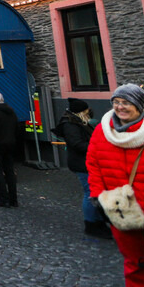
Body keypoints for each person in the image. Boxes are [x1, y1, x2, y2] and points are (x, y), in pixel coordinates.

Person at [86, 83, 144, 287]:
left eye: (126, 102)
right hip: (121, 211)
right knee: (136, 265)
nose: (120, 107)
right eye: (116, 102)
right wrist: (98, 197)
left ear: (140, 106)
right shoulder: (102, 131)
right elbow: (94, 164)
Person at [54, 98, 110, 239]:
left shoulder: (77, 122)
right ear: (81, 112)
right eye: (86, 111)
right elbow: (77, 144)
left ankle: (98, 222)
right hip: (81, 163)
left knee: (95, 192)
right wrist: (97, 148)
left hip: (87, 161)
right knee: (90, 193)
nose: (89, 112)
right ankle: (91, 224)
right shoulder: (70, 125)